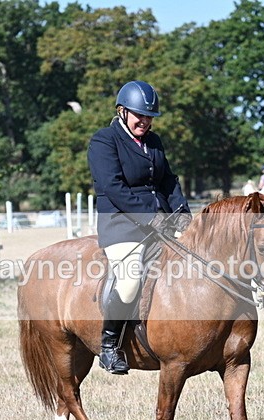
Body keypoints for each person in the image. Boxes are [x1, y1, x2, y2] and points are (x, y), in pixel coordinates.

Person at [88, 80, 191, 375]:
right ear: (122, 111)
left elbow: (167, 180)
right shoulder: (104, 140)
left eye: (149, 117)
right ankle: (109, 346)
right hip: (121, 226)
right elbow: (113, 187)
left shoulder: (154, 142)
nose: (144, 121)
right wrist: (151, 217)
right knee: (131, 279)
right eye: (139, 115)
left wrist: (181, 211)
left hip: (158, 225)